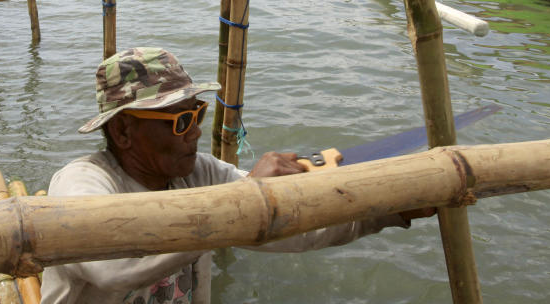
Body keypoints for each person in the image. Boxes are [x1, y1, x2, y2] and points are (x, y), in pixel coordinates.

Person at [42, 47, 434, 304]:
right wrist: (246, 199)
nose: (195, 131)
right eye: (180, 121)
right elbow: (113, 269)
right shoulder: (82, 185)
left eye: (196, 115)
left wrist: (386, 214)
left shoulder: (200, 174)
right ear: (123, 132)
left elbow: (286, 229)